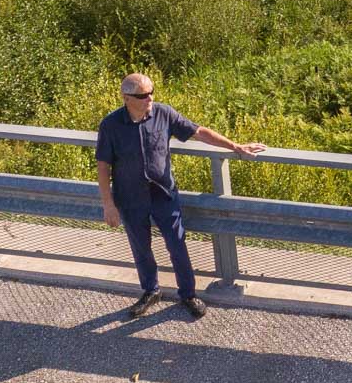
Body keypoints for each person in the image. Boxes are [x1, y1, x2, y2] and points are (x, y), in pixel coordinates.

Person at [95, 73, 266, 318]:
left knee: (177, 245)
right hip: (130, 198)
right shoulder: (111, 125)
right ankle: (150, 291)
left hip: (163, 194)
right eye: (143, 95)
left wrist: (235, 146)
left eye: (151, 91)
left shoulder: (164, 114)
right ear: (126, 98)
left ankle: (188, 294)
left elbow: (199, 131)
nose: (149, 98)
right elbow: (103, 166)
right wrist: (108, 204)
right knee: (141, 248)